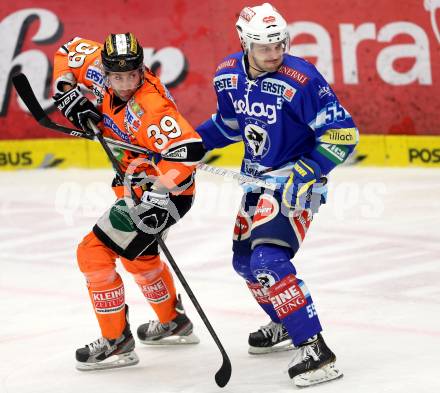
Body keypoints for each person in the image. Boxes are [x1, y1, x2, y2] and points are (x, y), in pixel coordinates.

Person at [196, 3, 359, 387]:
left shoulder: (301, 79)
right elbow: (228, 125)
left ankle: (315, 348)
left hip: (294, 186)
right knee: (245, 264)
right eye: (264, 47)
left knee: (269, 259)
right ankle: (285, 322)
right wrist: (188, 144)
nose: (274, 54)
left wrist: (308, 169)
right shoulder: (226, 75)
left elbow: (342, 134)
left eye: (279, 44)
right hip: (255, 184)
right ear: (243, 41)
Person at [52, 33, 205, 370]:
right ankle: (173, 322)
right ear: (105, 72)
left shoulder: (151, 107)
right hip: (136, 186)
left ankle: (116, 342)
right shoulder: (101, 70)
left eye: (131, 76)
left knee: (92, 252)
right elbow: (69, 52)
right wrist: (66, 91)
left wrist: (158, 190)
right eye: (116, 77)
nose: (123, 84)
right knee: (140, 258)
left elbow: (190, 150)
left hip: (162, 196)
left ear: (141, 69)